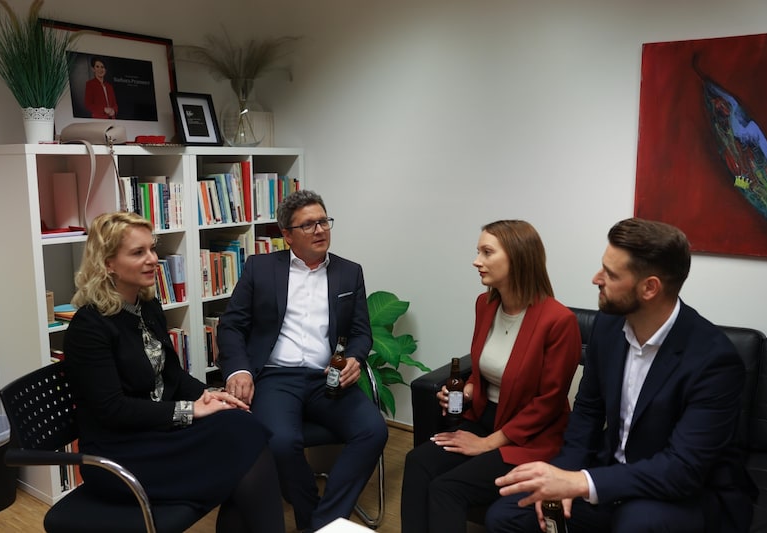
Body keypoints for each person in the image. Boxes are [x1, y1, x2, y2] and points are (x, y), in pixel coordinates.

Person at [489, 218, 756, 533]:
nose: (596, 279)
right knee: (507, 515)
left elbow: (682, 470)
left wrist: (581, 482)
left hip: (684, 494)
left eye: (611, 274)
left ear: (649, 287)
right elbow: (588, 411)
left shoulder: (714, 361)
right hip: (610, 476)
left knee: (636, 524)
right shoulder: (608, 326)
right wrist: (564, 475)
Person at [63, 211, 284, 533]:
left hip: (157, 434)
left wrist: (207, 395)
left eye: (152, 249)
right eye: (138, 253)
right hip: (119, 454)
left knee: (244, 426)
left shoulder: (147, 305)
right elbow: (112, 410)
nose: (153, 260)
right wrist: (188, 410)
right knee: (242, 455)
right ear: (108, 263)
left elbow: (172, 375)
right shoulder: (88, 327)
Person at [216, 189, 388, 532]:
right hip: (277, 377)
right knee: (280, 442)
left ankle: (324, 523)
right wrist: (239, 369)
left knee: (373, 430)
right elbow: (232, 325)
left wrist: (354, 357)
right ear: (287, 235)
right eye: (308, 225)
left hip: (330, 379)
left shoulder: (348, 272)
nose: (320, 230)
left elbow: (361, 332)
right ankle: (312, 513)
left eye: (324, 221)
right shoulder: (260, 268)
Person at [400, 220, 582, 533]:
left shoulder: (559, 320)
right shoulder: (485, 305)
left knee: (447, 488)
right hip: (485, 417)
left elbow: (549, 403)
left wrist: (487, 444)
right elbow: (486, 370)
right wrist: (467, 392)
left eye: (487, 252)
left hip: (531, 435)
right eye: (478, 251)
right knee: (417, 462)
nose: (476, 261)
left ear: (518, 258)